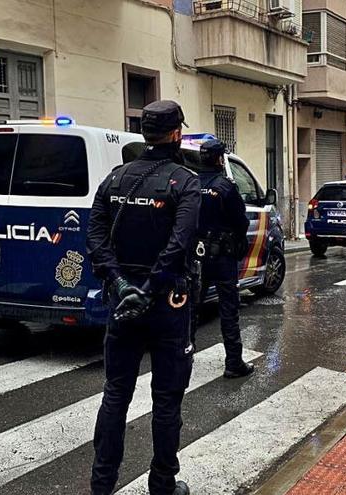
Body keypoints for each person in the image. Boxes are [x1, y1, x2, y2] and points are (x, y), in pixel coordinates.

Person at [87, 100, 200, 495]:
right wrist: (150, 290)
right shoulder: (185, 182)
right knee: (167, 400)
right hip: (167, 304)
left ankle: (101, 487)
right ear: (176, 134)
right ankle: (163, 486)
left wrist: (120, 285)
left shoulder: (115, 178)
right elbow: (180, 243)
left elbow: (95, 237)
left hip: (123, 303)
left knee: (116, 394)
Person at [191, 139, 254, 379]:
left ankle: (183, 357)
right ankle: (233, 362)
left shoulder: (191, 183)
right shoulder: (225, 186)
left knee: (192, 308)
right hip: (222, 257)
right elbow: (241, 220)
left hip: (196, 256)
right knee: (228, 309)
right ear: (220, 159)